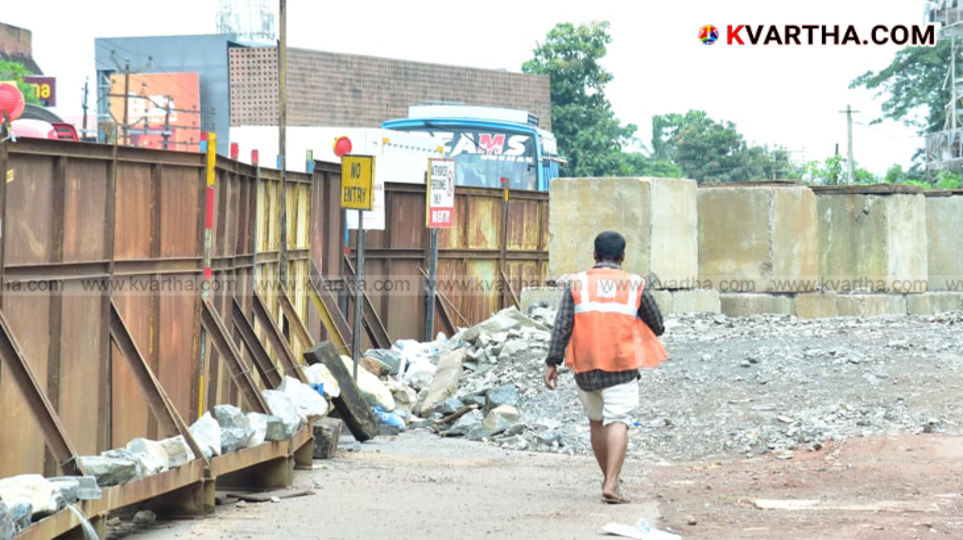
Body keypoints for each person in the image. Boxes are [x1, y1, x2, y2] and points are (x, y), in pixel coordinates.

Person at [544, 231, 668, 504]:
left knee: (597, 421)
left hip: (586, 367)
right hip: (621, 365)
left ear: (595, 255)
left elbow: (562, 324)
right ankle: (612, 482)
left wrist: (552, 362)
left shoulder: (578, 283)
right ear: (622, 256)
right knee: (619, 419)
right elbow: (657, 324)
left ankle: (608, 478)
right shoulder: (634, 284)